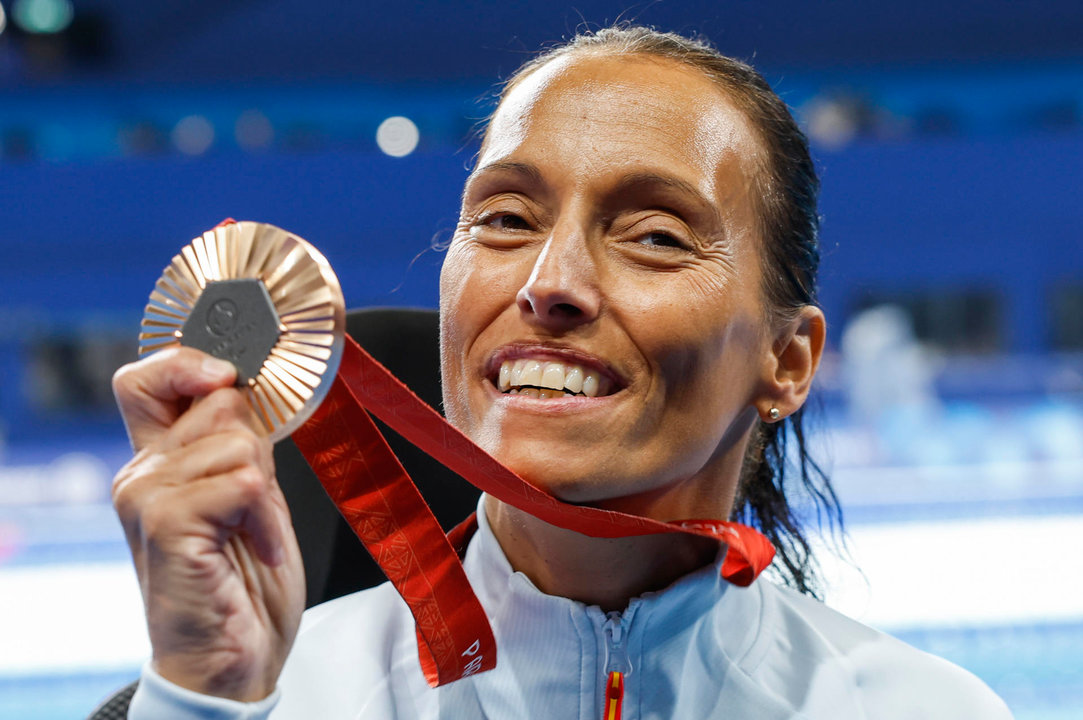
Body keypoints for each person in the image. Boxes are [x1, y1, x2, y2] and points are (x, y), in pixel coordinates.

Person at [111, 25, 1013, 719]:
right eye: (504, 219)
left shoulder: (921, 709)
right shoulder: (272, 697)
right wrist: (204, 693)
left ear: (787, 361)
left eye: (655, 236)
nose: (549, 285)